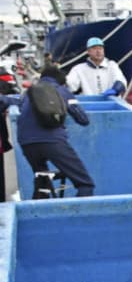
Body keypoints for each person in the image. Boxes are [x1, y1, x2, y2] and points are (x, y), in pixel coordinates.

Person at [0, 64, 95, 197]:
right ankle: (78, 216)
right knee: (85, 184)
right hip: (53, 141)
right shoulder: (62, 90)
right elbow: (83, 119)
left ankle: (38, 212)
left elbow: (15, 103)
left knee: (42, 180)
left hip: (26, 142)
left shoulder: (29, 92)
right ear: (61, 81)